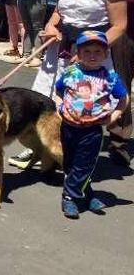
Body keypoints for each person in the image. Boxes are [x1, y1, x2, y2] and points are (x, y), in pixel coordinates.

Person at [14, 0, 128, 169]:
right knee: (48, 102)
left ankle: (79, 163)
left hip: (93, 55)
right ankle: (44, 149)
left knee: (83, 106)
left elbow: (119, 25)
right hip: (60, 49)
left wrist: (89, 53)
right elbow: (58, 12)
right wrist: (51, 25)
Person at [53, 31, 127, 219]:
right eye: (87, 51)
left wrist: (115, 115)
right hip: (68, 127)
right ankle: (88, 194)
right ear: (78, 52)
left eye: (97, 51)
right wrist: (60, 107)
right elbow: (59, 91)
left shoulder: (109, 77)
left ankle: (69, 197)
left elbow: (123, 99)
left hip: (91, 130)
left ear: (106, 54)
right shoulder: (71, 72)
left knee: (83, 165)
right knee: (70, 163)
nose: (92, 56)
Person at [99, 0, 134, 166]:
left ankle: (119, 140)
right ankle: (112, 139)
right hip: (106, 30)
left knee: (119, 81)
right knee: (109, 81)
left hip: (128, 27)